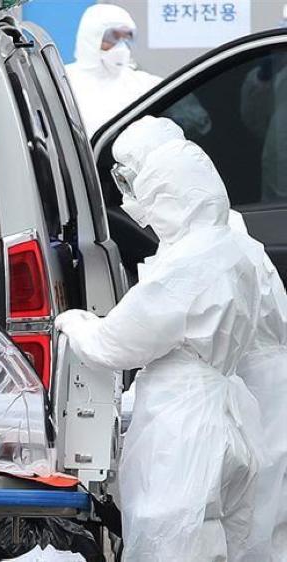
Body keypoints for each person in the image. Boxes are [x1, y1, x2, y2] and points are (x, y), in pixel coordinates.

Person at [55, 116, 266, 562]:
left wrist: (74, 322)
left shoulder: (188, 264)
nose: (141, 208)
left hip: (182, 426)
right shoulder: (234, 250)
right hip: (227, 416)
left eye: (147, 195)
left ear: (169, 196)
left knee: (168, 536)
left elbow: (116, 343)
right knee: (215, 538)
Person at [227, 213, 287, 560]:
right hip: (270, 377)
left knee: (262, 494)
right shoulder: (255, 257)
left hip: (260, 383)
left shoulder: (232, 259)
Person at [66, 4, 161, 134]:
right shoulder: (64, 82)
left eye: (126, 37)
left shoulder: (144, 84)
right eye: (113, 37)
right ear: (91, 38)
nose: (121, 46)